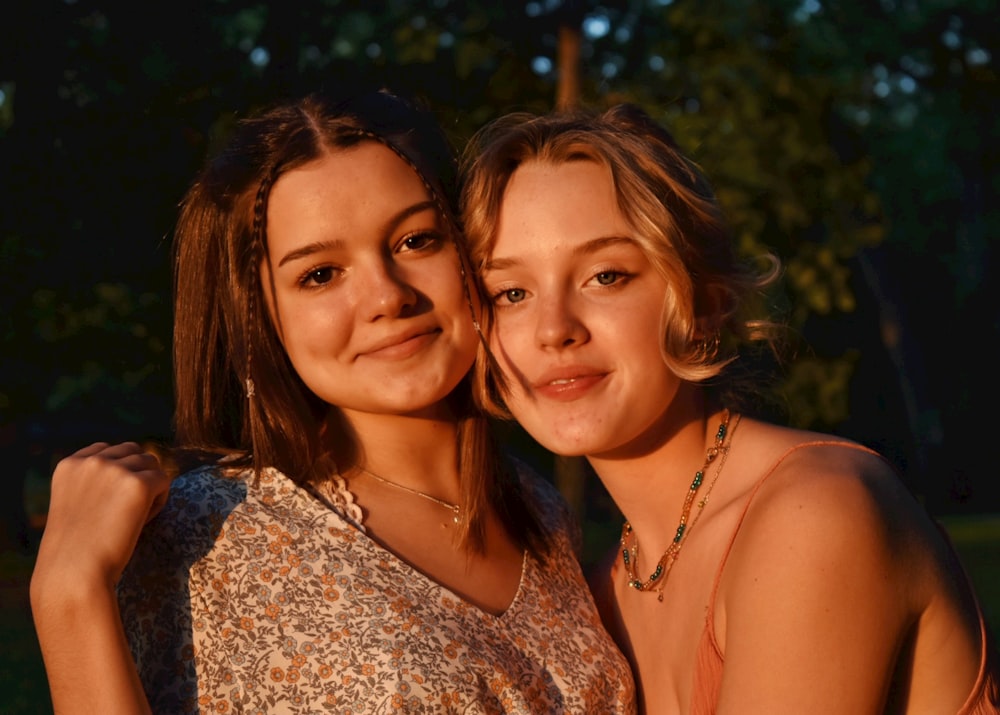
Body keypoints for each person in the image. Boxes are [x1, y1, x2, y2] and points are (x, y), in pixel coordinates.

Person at [30, 90, 636, 713]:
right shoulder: (199, 533)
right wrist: (68, 594)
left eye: (415, 240)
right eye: (320, 274)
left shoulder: (540, 509)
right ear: (262, 317)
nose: (386, 296)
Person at [459, 103, 1000, 714]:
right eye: (511, 292)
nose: (553, 329)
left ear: (706, 305)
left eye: (606, 276)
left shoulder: (814, 512)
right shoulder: (604, 587)